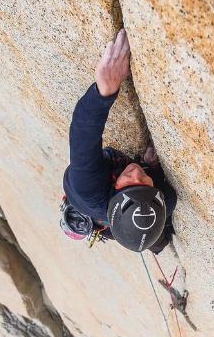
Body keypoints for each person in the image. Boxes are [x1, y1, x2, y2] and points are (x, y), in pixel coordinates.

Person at [61, 29, 176, 253]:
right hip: (125, 220)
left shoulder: (86, 188)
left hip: (87, 194)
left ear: (115, 190)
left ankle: (155, 244)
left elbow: (83, 136)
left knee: (137, 237)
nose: (135, 172)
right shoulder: (166, 200)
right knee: (152, 239)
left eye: (129, 183)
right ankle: (157, 244)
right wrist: (151, 167)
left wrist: (104, 91)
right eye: (144, 180)